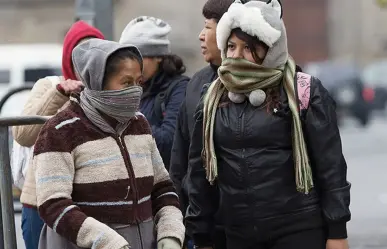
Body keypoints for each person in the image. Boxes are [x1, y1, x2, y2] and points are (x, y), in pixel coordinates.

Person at [185, 1, 351, 249]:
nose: (236, 55)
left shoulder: (303, 91)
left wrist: (337, 232)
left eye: (249, 48)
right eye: (231, 46)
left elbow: (331, 167)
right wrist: (201, 236)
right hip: (238, 235)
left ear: (270, 50)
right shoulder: (212, 99)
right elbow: (199, 174)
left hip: (298, 230)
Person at [34, 38, 184, 249]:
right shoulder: (60, 130)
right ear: (98, 82)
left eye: (138, 82)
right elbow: (53, 204)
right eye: (126, 83)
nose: (135, 91)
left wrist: (170, 234)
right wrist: (107, 242)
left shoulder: (139, 124)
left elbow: (162, 189)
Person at [11, 20, 104, 249]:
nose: (86, 59)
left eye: (94, 51)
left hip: (93, 205)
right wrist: (59, 94)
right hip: (41, 204)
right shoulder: (50, 86)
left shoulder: (109, 91)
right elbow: (23, 134)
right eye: (79, 52)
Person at [168, 0, 234, 248]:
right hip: (202, 224)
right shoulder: (196, 85)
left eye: (208, 27)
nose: (200, 36)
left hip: (245, 225)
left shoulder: (255, 87)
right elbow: (181, 158)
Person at [119, 16, 189, 169]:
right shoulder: (132, 87)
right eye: (125, 59)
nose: (130, 66)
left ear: (158, 56)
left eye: (137, 58)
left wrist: (127, 116)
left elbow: (169, 143)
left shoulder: (179, 89)